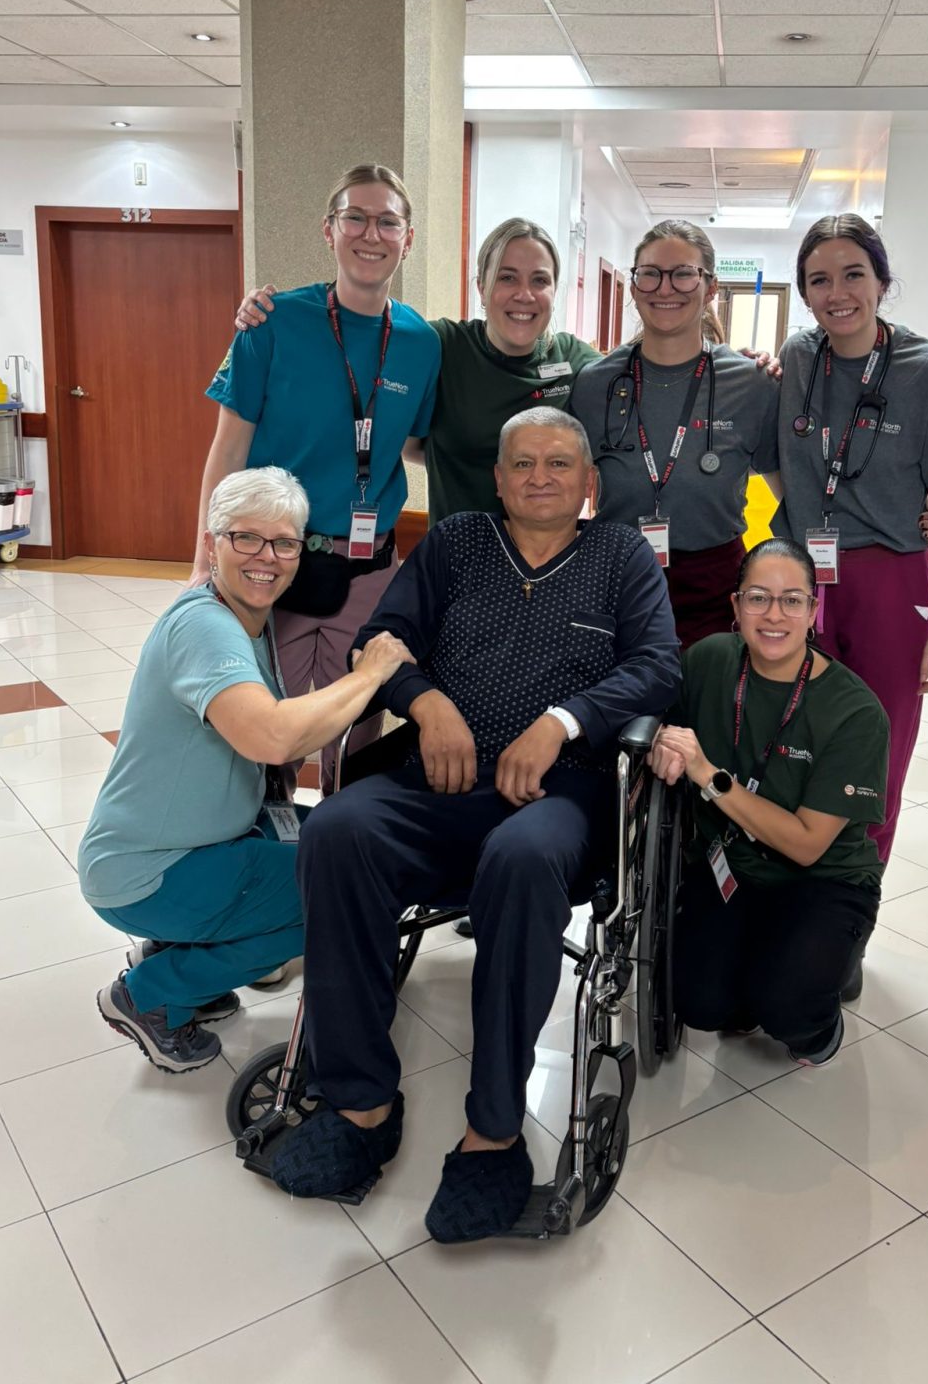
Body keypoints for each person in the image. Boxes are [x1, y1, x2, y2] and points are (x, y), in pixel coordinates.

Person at [269, 408, 680, 1241]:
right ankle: (359, 1102)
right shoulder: (456, 542)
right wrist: (426, 704)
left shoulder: (621, 556)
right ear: (497, 478)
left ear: (588, 482)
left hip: (560, 797)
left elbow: (657, 666)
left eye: (558, 464)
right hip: (439, 781)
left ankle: (493, 1131)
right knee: (336, 831)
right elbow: (382, 638)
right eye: (521, 463)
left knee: (520, 859)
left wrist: (561, 722)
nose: (539, 477)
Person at [82, 467, 412, 1073]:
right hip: (152, 870)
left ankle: (177, 952)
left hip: (193, 840)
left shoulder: (246, 618)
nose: (267, 557)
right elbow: (272, 735)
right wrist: (369, 675)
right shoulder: (206, 628)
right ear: (211, 544)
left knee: (334, 840)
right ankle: (150, 997)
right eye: (246, 538)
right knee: (340, 891)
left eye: (285, 543)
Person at [195, 163, 441, 792]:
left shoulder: (420, 342)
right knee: (263, 728)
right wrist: (202, 561)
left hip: (367, 568)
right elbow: (228, 449)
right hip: (273, 560)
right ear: (328, 229)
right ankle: (263, 836)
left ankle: (342, 836)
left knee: (357, 725)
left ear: (408, 238)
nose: (371, 234)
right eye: (355, 217)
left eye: (388, 221)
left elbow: (415, 444)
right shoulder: (272, 322)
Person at [772, 213, 928, 864]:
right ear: (804, 292)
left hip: (890, 578)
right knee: (792, 739)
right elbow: (781, 458)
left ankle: (856, 886)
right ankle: (791, 878)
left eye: (853, 275)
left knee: (876, 744)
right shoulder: (797, 357)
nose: (837, 293)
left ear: (883, 282)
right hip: (802, 574)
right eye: (819, 280)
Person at [652, 538, 889, 1066]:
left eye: (792, 600)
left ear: (813, 610)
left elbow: (807, 846)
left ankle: (817, 1025)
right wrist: (661, 745)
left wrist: (711, 777)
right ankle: (752, 985)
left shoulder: (854, 712)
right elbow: (661, 725)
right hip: (730, 865)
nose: (774, 615)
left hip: (823, 879)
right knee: (700, 1004)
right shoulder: (709, 660)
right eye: (758, 598)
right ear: (735, 606)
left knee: (787, 1004)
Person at [237, 216, 598, 525]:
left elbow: (630, 372)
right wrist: (273, 313)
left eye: (539, 280)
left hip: (548, 555)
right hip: (457, 555)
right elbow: (354, 335)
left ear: (555, 290)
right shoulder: (440, 345)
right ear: (481, 287)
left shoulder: (575, 361)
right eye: (507, 278)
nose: (524, 294)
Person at [570, 220, 781, 651]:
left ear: (711, 288)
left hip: (715, 590)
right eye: (650, 274)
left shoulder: (752, 384)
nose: (665, 288)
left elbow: (793, 493)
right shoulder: (595, 384)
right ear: (634, 287)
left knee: (707, 694)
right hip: (616, 585)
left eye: (684, 274)